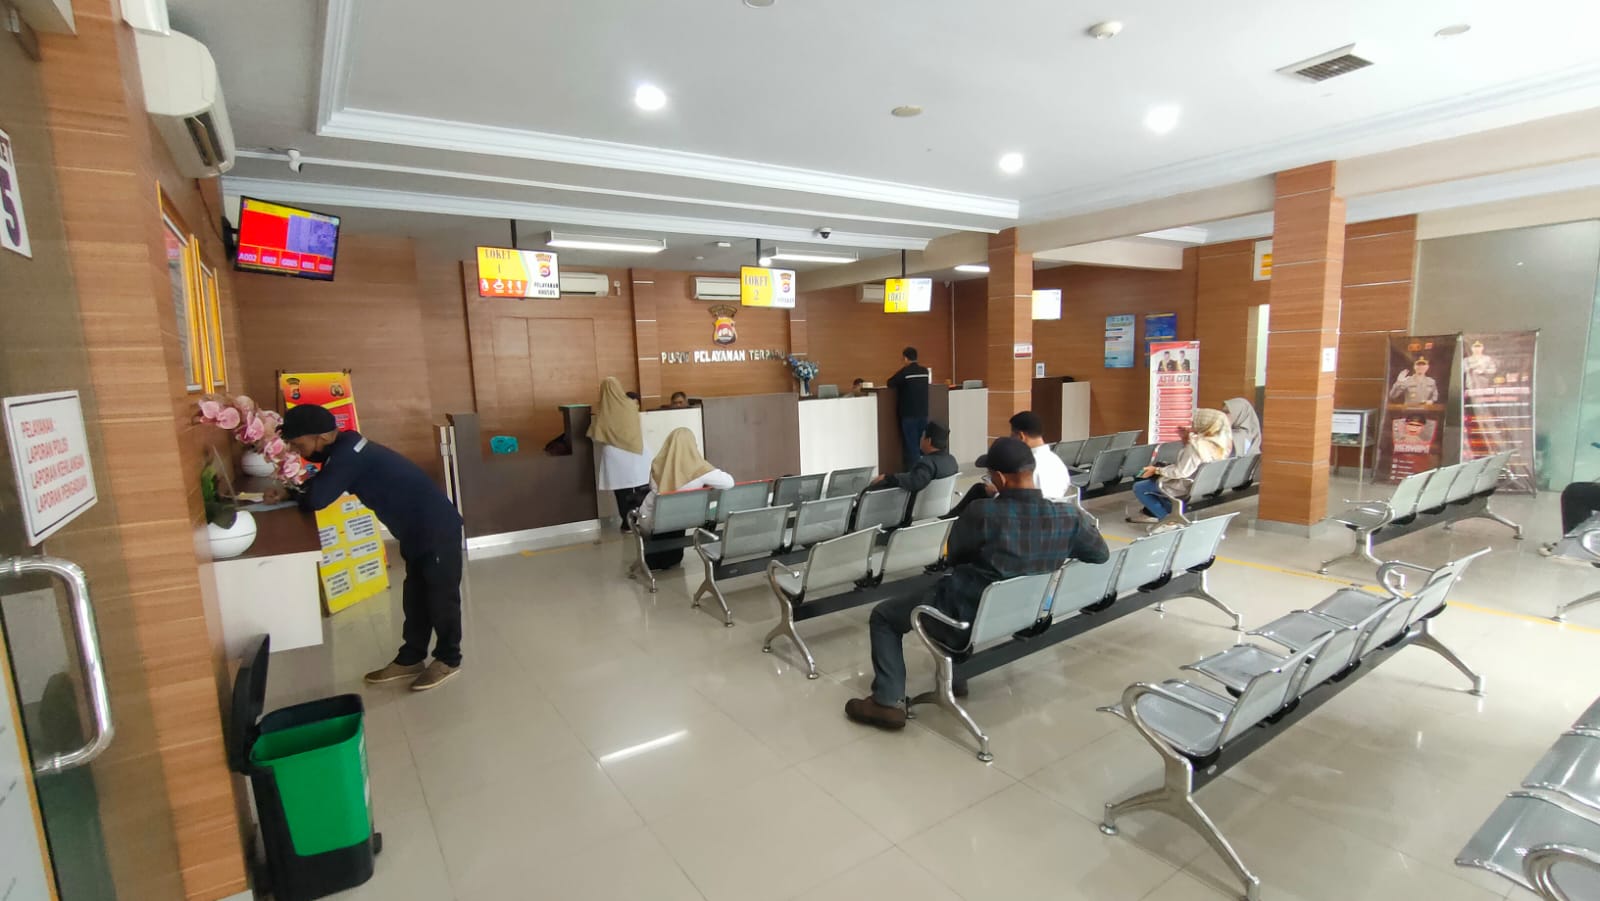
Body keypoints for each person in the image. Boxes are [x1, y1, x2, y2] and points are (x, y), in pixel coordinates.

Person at [844, 437, 1109, 729]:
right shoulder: (1069, 517)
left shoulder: (983, 513)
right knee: (963, 591)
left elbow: (955, 558)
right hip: (1023, 613)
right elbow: (1100, 554)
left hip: (964, 617)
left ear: (1001, 478)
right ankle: (955, 678)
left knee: (884, 616)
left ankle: (887, 700)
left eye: (990, 475)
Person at [267, 405, 465, 691]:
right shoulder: (346, 450)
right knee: (416, 599)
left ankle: (449, 659)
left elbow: (317, 498)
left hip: (436, 529)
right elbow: (320, 485)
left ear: (322, 437)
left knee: (441, 599)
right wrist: (290, 492)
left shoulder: (349, 455)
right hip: (415, 531)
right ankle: (411, 658)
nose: (299, 452)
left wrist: (296, 494)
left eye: (300, 445)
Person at [636, 428, 734, 569]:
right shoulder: (700, 469)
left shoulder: (657, 464)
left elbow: (653, 487)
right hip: (683, 519)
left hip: (652, 520)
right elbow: (729, 483)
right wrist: (706, 469)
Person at [949, 411, 1070, 516]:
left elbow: (1025, 503)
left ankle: (949, 520)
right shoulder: (1057, 462)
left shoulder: (1026, 465)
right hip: (1050, 514)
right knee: (981, 489)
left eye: (1012, 435)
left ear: (1021, 436)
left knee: (980, 493)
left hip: (1024, 515)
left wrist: (996, 494)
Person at [1128, 408, 1232, 524]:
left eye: (1195, 422)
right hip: (1202, 485)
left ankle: (1167, 520)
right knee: (1151, 481)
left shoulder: (1196, 447)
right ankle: (1168, 514)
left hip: (1185, 486)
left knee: (1140, 486)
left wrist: (1157, 470)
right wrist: (1186, 440)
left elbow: (1181, 472)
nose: (1192, 424)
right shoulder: (1220, 445)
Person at [590, 377, 651, 532]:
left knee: (621, 491)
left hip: (615, 455)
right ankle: (642, 519)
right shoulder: (630, 405)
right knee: (640, 488)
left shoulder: (603, 410)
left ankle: (627, 522)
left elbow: (596, 435)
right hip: (637, 452)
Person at [872, 421, 957, 493]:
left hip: (922, 506)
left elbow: (914, 481)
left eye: (922, 436)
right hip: (941, 505)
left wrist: (887, 478)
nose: (920, 439)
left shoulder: (927, 463)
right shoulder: (952, 461)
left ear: (928, 441)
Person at [887, 347, 931, 468]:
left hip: (909, 414)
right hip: (923, 413)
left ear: (905, 358)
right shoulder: (924, 371)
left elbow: (890, 383)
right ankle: (924, 469)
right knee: (920, 443)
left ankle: (916, 472)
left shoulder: (905, 372)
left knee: (912, 446)